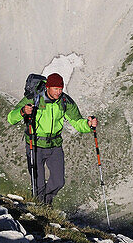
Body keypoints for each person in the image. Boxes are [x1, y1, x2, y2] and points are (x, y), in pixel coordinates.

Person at [6, 72, 98, 205]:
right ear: (48, 87)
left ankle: (45, 202)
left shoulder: (65, 102)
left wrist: (88, 125)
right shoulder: (34, 98)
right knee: (38, 183)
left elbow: (77, 122)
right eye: (55, 89)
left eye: (61, 89)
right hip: (35, 144)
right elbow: (11, 118)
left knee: (59, 181)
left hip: (55, 145)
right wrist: (22, 111)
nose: (58, 92)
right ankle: (40, 208)